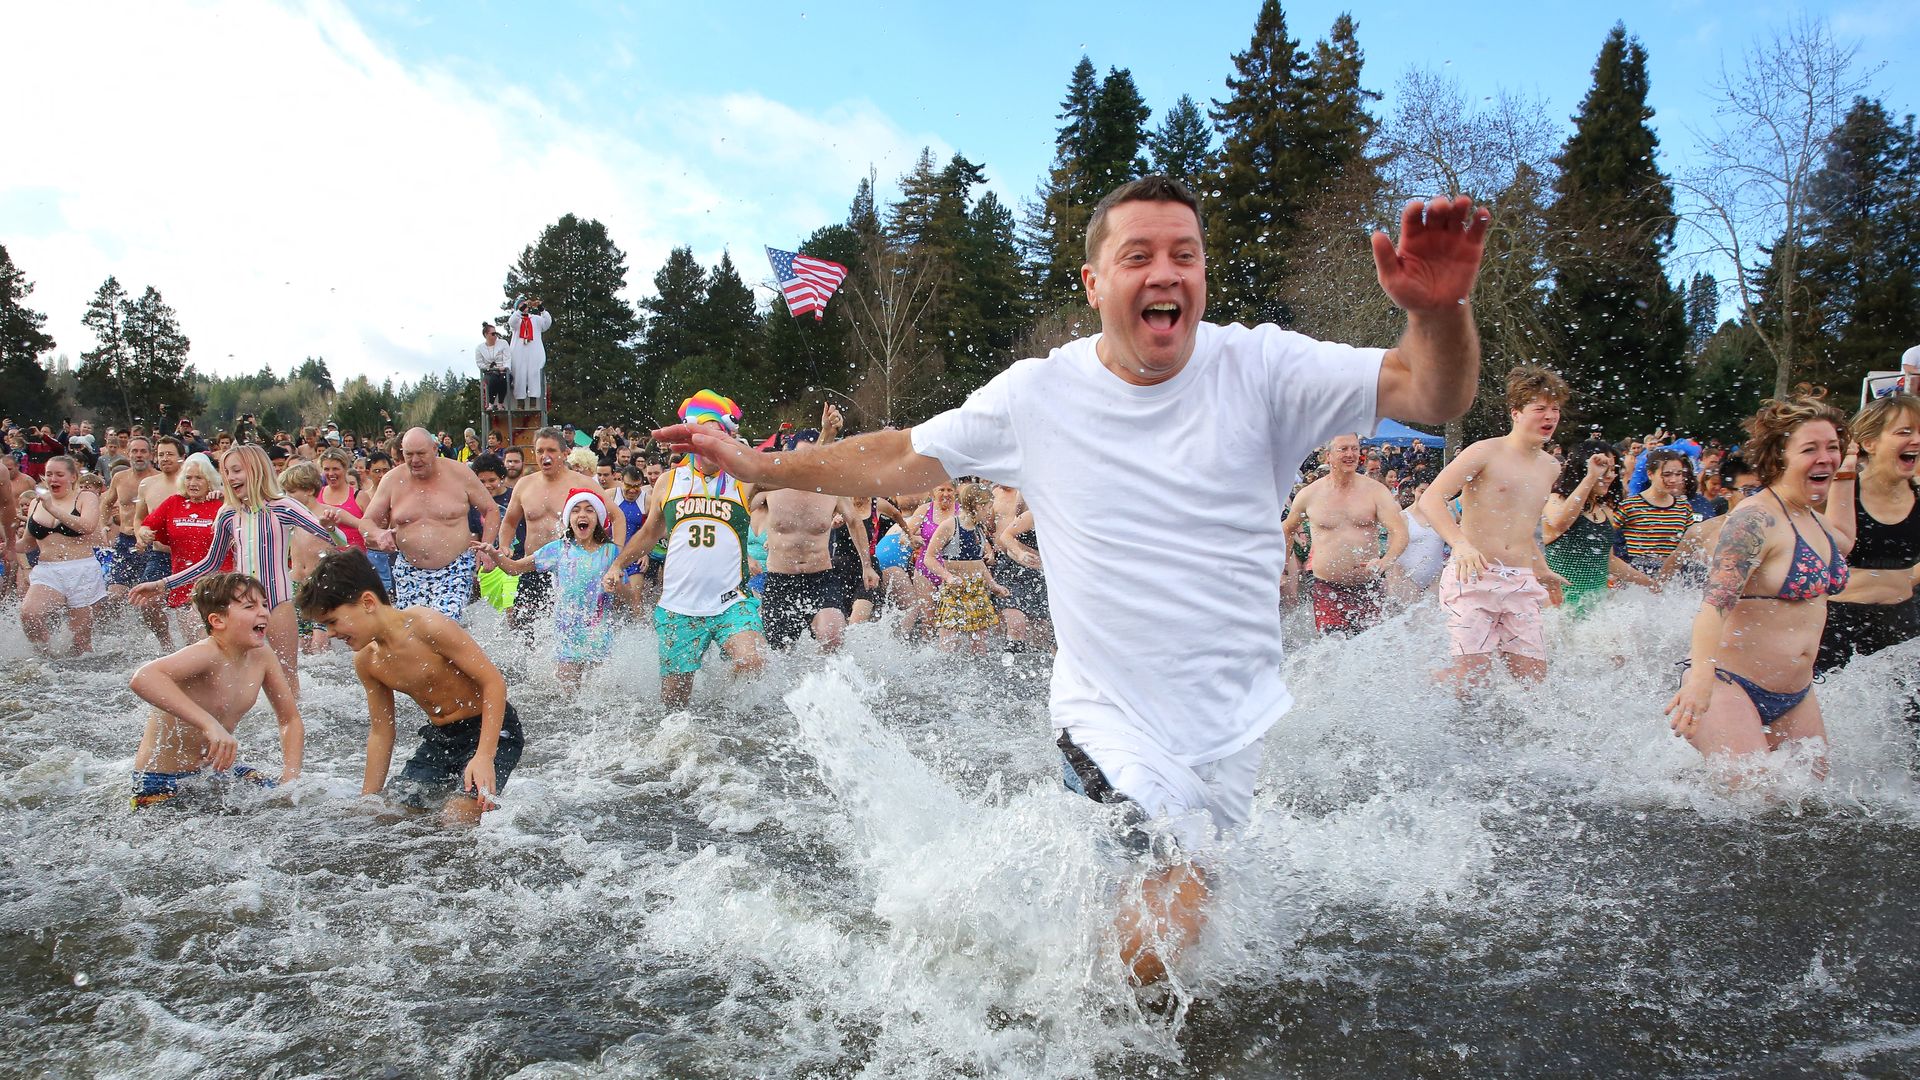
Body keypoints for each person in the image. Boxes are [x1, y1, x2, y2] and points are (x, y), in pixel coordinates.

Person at [648, 177, 1490, 984]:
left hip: (1234, 725)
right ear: (1094, 282)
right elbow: (905, 454)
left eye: (1185, 255)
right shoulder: (1039, 394)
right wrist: (764, 462)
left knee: (1164, 926)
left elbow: (1430, 388)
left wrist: (1440, 311)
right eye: (1138, 256)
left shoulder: (1263, 369)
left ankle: (1066, 995)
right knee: (1165, 923)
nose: (1165, 273)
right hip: (1106, 719)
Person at [1668, 391, 1852, 775]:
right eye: (1810, 449)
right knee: (1752, 803)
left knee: (1811, 802)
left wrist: (1848, 473)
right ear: (1780, 455)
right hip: (1728, 684)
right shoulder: (1755, 519)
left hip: (1796, 694)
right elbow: (1714, 604)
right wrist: (1700, 675)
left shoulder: (1814, 520)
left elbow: (1847, 540)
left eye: (1833, 447)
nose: (1825, 457)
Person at [299, 549, 522, 822]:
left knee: (456, 817)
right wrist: (369, 797)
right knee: (388, 815)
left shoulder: (426, 626)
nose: (331, 633)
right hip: (440, 741)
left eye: (332, 622)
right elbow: (381, 732)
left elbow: (494, 682)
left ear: (367, 602)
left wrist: (484, 756)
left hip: (493, 731)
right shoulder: (368, 661)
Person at [129, 445, 339, 695]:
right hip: (240, 606)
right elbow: (210, 563)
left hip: (278, 602)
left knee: (286, 676)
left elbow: (333, 538)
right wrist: (162, 584)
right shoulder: (227, 513)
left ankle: (290, 727)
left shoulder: (284, 506)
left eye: (237, 470)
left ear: (256, 470)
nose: (230, 477)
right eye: (227, 471)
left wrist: (330, 527)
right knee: (231, 675)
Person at [603, 391, 765, 708]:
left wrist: (827, 436)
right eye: (701, 435)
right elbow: (649, 533)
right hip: (679, 607)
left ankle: (729, 717)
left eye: (716, 435)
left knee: (752, 661)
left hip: (732, 601)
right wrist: (617, 564)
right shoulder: (668, 482)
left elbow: (789, 472)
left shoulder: (743, 480)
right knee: (675, 705)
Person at [1417, 365, 1570, 688]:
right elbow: (1431, 500)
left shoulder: (1550, 466)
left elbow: (1524, 527)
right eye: (1539, 408)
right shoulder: (1484, 452)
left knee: (1532, 683)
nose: (1550, 416)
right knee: (1471, 679)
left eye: (1554, 408)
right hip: (1472, 576)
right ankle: (1424, 691)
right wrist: (1460, 544)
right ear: (1516, 412)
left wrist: (1542, 570)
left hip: (1520, 580)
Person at [127, 573, 304, 810]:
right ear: (218, 621)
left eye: (264, 604)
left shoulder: (263, 657)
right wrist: (210, 725)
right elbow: (143, 678)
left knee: (290, 805)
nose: (263, 612)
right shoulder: (206, 653)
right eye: (249, 606)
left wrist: (290, 779)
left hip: (216, 773)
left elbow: (290, 719)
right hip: (161, 782)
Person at [1814, 394, 1920, 728]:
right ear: (1870, 442)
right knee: (1831, 727)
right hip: (1835, 628)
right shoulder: (1835, 489)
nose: (1916, 439)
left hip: (1905, 627)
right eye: (1904, 431)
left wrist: (1907, 578)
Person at [329, 428, 499, 623]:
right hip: (409, 570)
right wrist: (378, 534)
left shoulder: (459, 473)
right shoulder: (392, 479)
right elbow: (367, 522)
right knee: (411, 634)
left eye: (421, 453)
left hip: (455, 569)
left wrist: (486, 547)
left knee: (443, 625)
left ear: (435, 449)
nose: (415, 460)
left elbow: (491, 510)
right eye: (408, 454)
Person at [758, 406, 876, 651]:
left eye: (813, 458)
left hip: (820, 577)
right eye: (801, 457)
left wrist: (867, 565)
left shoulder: (830, 487)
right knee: (780, 652)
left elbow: (854, 521)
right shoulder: (771, 484)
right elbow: (737, 511)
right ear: (789, 456)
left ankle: (830, 687)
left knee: (832, 636)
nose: (807, 465)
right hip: (780, 580)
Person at [478, 488, 620, 686]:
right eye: (576, 510)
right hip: (567, 637)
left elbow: (626, 594)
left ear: (598, 518)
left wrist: (615, 584)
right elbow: (515, 569)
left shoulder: (611, 552)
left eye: (589, 510)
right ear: (569, 518)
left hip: (599, 635)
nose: (582, 514)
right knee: (567, 700)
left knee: (598, 698)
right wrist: (495, 554)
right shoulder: (558, 549)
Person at [497, 426, 625, 640]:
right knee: (524, 629)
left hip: (572, 570)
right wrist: (504, 545)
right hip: (533, 567)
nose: (544, 457)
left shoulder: (582, 483)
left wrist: (615, 558)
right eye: (539, 451)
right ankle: (533, 672)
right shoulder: (525, 485)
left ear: (564, 453)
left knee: (573, 632)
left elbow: (617, 516)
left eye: (551, 451)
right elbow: (509, 522)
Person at [1281, 433, 1408, 635]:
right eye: (1343, 449)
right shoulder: (1310, 495)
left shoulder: (1375, 491)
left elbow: (1399, 531)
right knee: (1332, 649)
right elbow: (1287, 529)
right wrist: (1282, 569)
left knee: (1369, 652)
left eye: (1355, 449)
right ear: (1328, 455)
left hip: (1368, 587)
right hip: (1326, 588)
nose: (1351, 454)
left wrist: (1386, 560)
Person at [1542, 441, 1654, 616]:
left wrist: (1650, 584)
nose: (1611, 475)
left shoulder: (1605, 510)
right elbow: (1560, 523)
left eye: (1613, 469)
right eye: (1603, 468)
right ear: (1583, 467)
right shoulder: (1555, 499)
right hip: (1560, 610)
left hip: (1596, 612)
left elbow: (1608, 561)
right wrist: (1591, 477)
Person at [138, 452, 230, 643]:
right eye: (188, 478)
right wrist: (144, 533)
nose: (192, 483)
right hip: (182, 581)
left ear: (210, 480)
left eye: (199, 478)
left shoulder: (221, 503)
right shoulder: (174, 502)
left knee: (206, 638)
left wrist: (225, 497)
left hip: (217, 582)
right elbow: (147, 525)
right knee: (192, 643)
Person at [19, 455, 107, 654]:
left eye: (59, 474)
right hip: (48, 570)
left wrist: (53, 508)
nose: (53, 479)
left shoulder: (85, 497)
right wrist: (9, 545)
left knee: (81, 644)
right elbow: (27, 543)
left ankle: (81, 680)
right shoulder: (36, 502)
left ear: (73, 477)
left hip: (81, 570)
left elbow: (87, 526)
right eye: (49, 474)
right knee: (29, 614)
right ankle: (45, 659)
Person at [922, 483, 1008, 654]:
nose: (989, 513)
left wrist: (993, 585)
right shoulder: (950, 525)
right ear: (978, 506)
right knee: (949, 644)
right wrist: (947, 577)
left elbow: (978, 562)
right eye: (988, 508)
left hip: (976, 591)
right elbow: (929, 558)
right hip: (954, 591)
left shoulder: (978, 528)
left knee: (980, 647)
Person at [278, 462, 348, 653]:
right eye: (284, 491)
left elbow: (342, 540)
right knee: (302, 644)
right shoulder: (288, 516)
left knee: (320, 643)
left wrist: (331, 528)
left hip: (320, 586)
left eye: (291, 491)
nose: (286, 497)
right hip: (296, 584)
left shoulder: (324, 514)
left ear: (309, 490)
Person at [1617, 449, 1710, 576]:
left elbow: (1691, 544)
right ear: (1650, 474)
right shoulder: (1630, 505)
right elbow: (1610, 539)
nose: (1674, 480)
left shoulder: (1683, 506)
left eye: (1678, 474)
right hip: (1638, 577)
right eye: (1667, 474)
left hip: (1671, 579)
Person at [989, 485, 1049, 650]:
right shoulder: (1030, 516)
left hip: (1039, 576)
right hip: (1013, 570)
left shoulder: (1058, 520)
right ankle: (1010, 665)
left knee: (1042, 632)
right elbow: (1005, 536)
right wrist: (1020, 553)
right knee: (1016, 625)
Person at [1394, 480, 1448, 600]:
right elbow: (1392, 553)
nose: (1425, 496)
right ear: (1414, 490)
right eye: (1421, 491)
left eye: (1429, 492)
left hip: (1436, 577)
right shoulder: (1403, 517)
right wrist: (1394, 582)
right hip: (1407, 577)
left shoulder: (1443, 516)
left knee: (1431, 617)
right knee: (1409, 616)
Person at [506, 297, 551, 408]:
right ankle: (520, 403)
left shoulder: (535, 319)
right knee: (519, 376)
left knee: (534, 375)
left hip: (534, 352)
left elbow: (547, 322)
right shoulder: (516, 319)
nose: (525, 307)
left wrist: (541, 308)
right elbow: (511, 322)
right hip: (519, 352)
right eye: (521, 305)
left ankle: (533, 403)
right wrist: (520, 310)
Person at [476, 321, 510, 410]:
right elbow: (479, 363)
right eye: (493, 334)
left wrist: (504, 367)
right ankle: (491, 403)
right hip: (489, 372)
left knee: (504, 379)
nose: (495, 336)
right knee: (493, 380)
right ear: (486, 335)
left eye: (496, 333)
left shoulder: (503, 343)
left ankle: (500, 403)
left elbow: (507, 358)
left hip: (503, 370)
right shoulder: (479, 348)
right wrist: (489, 368)